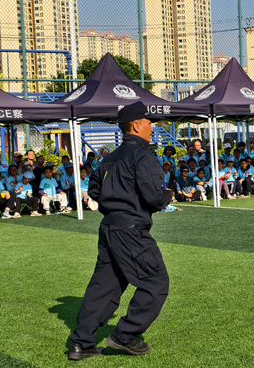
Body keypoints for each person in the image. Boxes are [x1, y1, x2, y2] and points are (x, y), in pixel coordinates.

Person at [69, 101, 170, 360]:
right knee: (155, 282)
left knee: (104, 286)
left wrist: (111, 200)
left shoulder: (109, 159)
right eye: (149, 122)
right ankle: (124, 335)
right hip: (131, 230)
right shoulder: (143, 156)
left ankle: (81, 343)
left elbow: (93, 188)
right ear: (136, 125)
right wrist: (167, 195)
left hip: (109, 227)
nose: (151, 127)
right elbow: (153, 198)